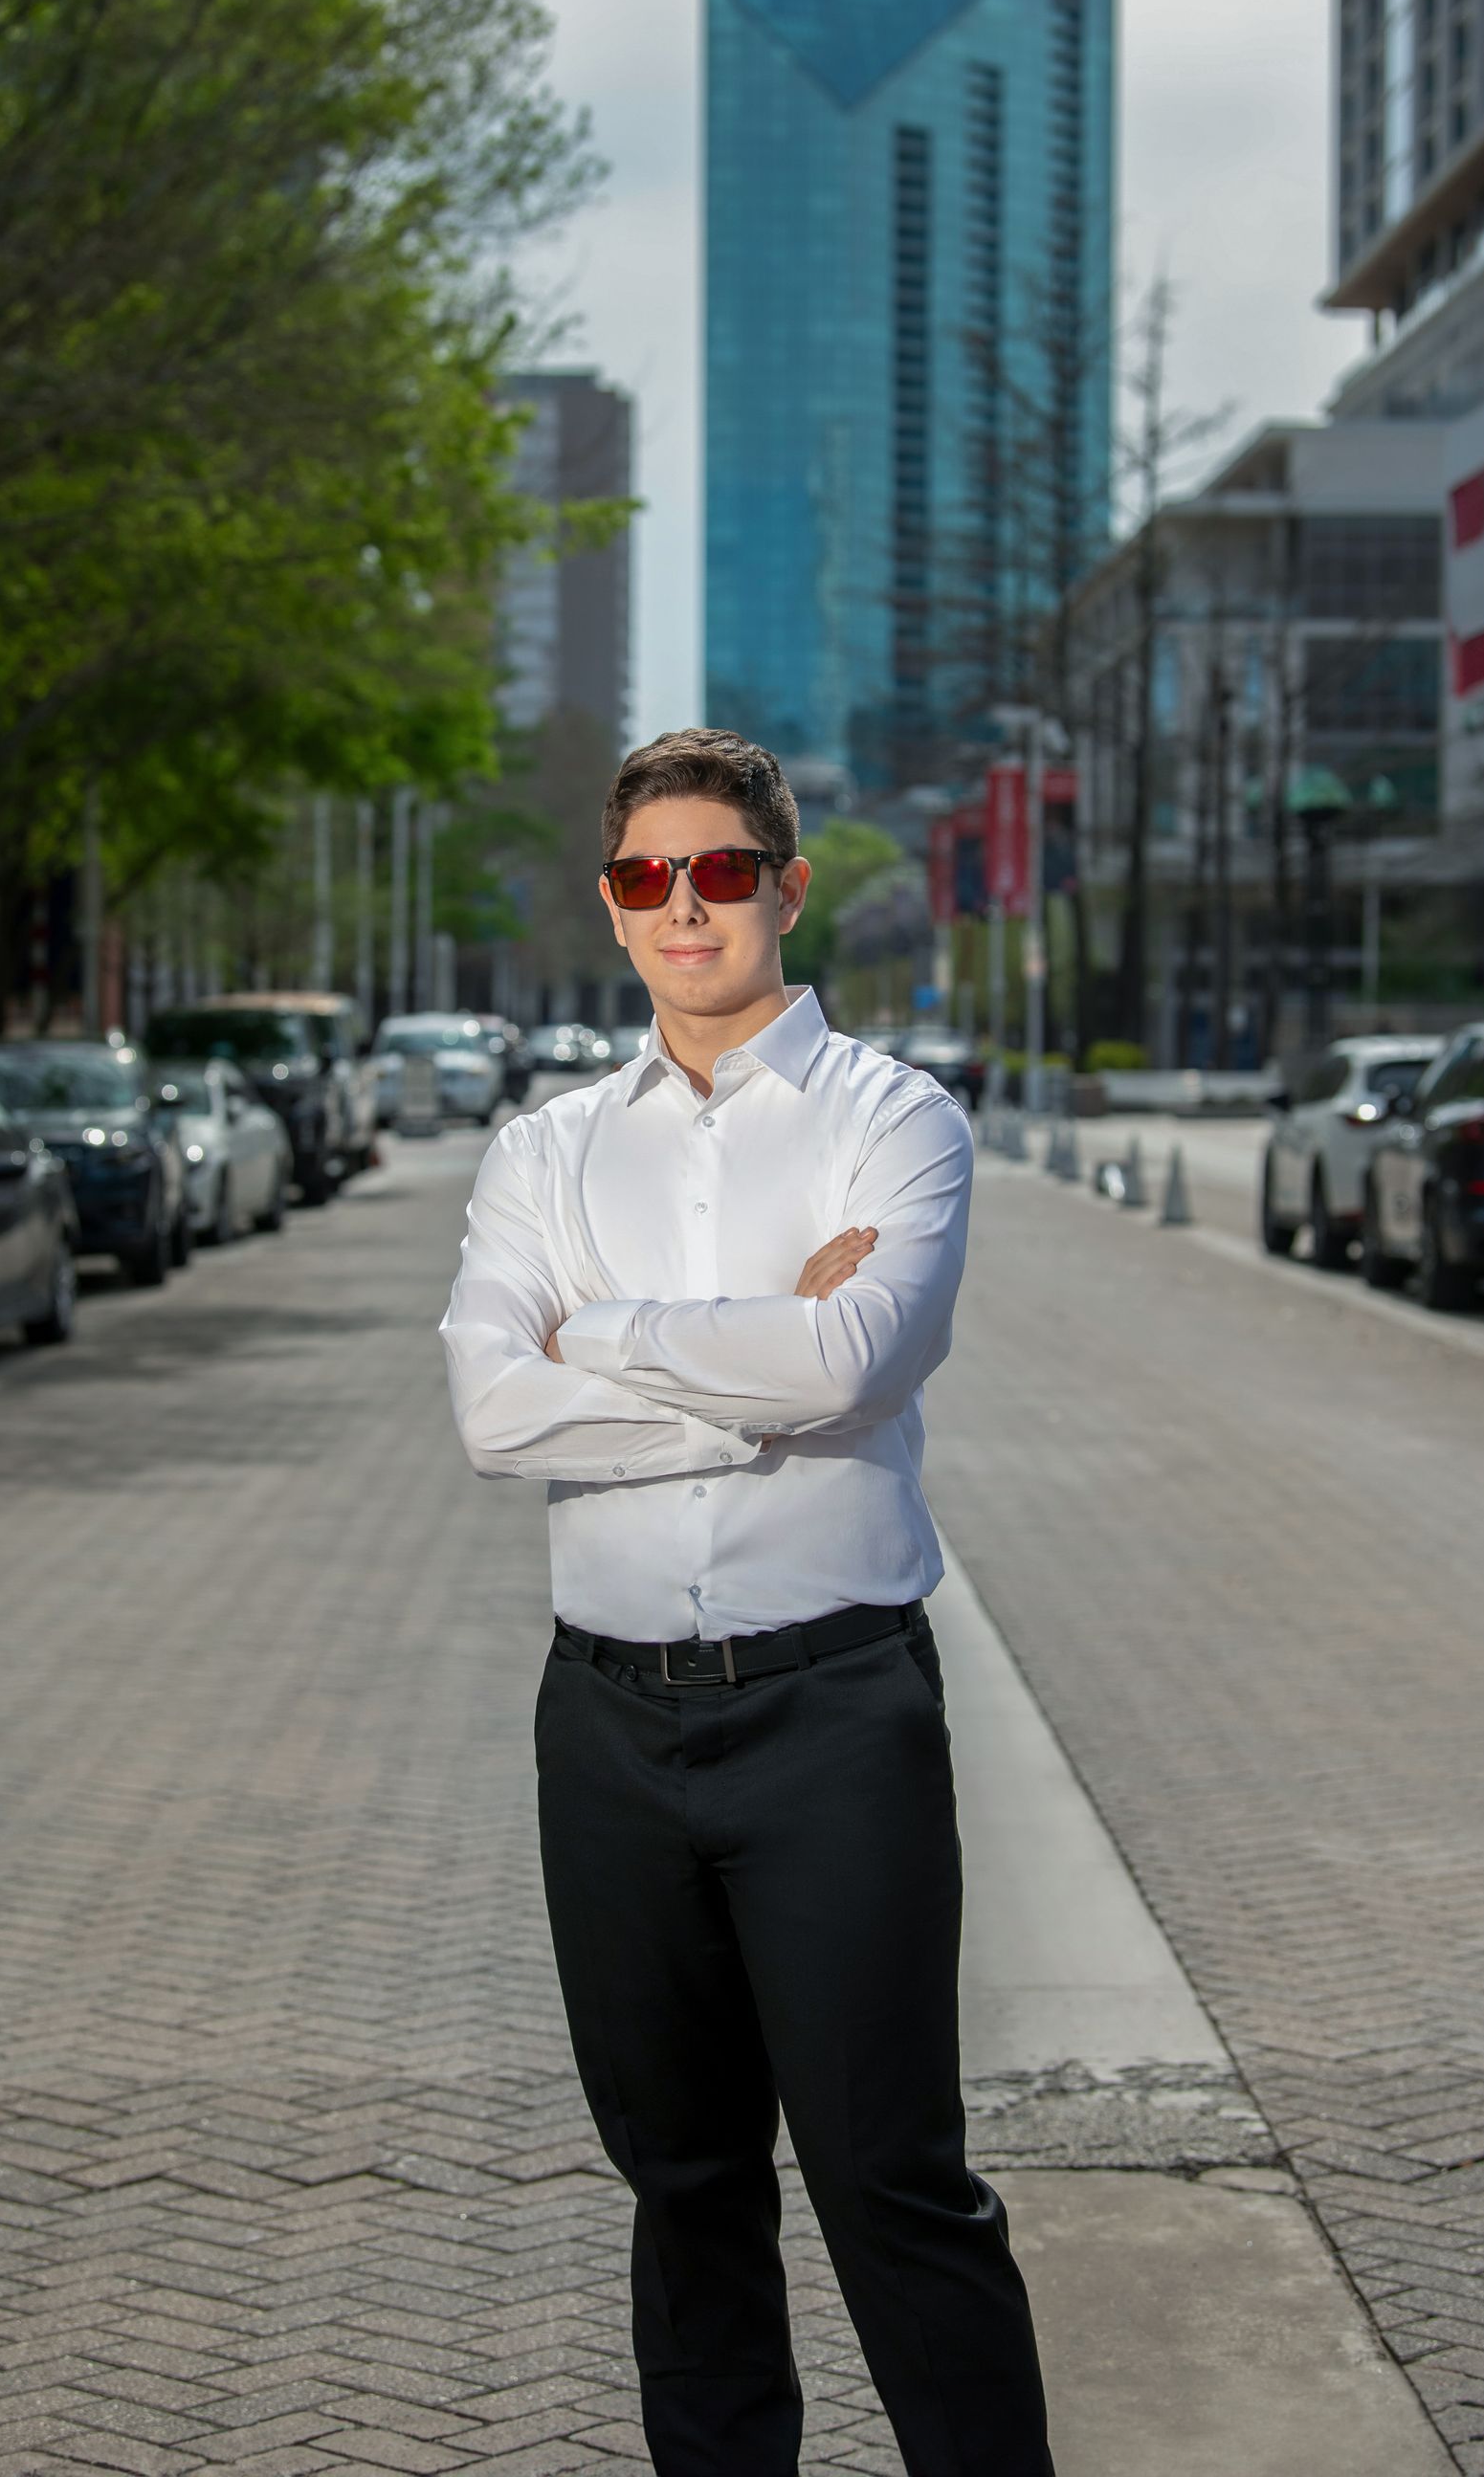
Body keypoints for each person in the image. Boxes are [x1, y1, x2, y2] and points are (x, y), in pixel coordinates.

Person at [439, 727, 1053, 2477]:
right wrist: (757, 1354)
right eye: (647, 878)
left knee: (892, 2182)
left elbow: (861, 1357)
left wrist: (606, 1337)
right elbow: (493, 1414)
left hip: (836, 1716)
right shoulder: (545, 1154)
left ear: (786, 888)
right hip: (609, 1729)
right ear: (615, 911)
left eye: (719, 870)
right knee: (685, 2187)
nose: (684, 905)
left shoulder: (893, 1116)